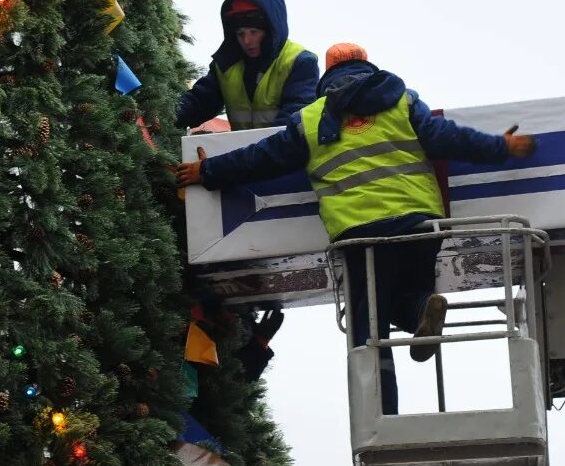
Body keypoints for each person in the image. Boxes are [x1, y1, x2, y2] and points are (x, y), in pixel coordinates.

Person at [176, 43, 537, 414]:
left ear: (326, 76)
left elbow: (261, 159)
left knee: (370, 329)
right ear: (368, 66)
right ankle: (419, 312)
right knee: (411, 293)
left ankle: (383, 414)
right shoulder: (403, 102)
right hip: (418, 226)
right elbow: (447, 138)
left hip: (361, 236)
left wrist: (208, 171)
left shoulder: (312, 118)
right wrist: (501, 146)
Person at [175, 0, 319, 131]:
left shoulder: (299, 63)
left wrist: (248, 154)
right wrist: (164, 115)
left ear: (270, 30)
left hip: (283, 153)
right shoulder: (226, 65)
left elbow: (293, 124)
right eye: (240, 34)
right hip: (244, 153)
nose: (246, 41)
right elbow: (199, 102)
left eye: (253, 31)